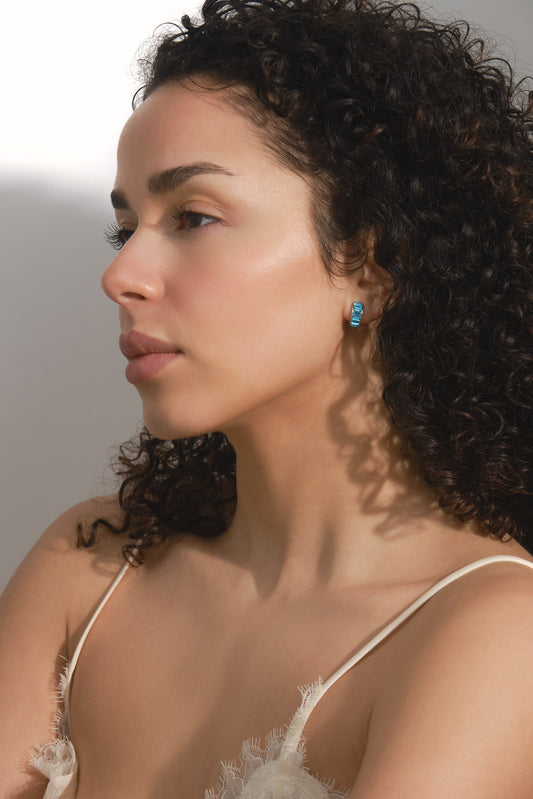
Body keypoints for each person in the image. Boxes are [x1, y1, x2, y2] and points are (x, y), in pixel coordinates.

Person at [1, 0, 533, 796]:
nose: (121, 275)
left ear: (372, 263)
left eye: (192, 216)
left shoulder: (490, 634)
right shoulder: (88, 565)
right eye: (127, 228)